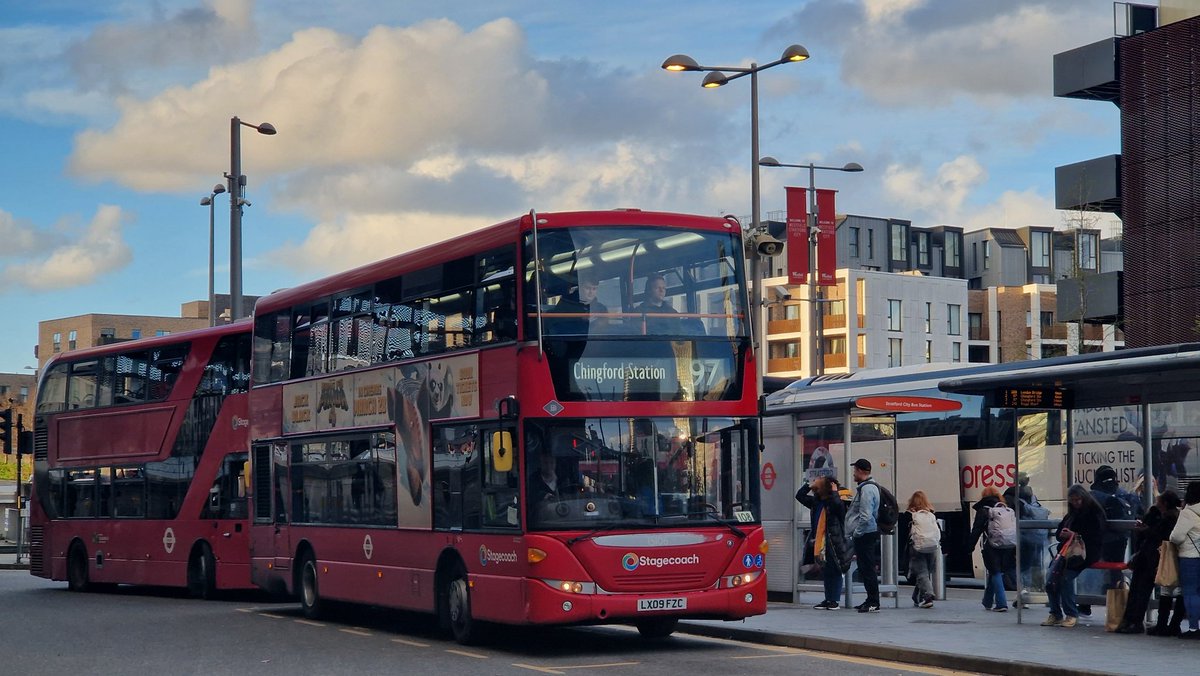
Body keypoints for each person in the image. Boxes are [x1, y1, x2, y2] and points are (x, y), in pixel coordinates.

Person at [1118, 490, 1182, 634]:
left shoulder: (1170, 518)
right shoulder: (1160, 514)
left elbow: (1162, 536)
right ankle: (1133, 620)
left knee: (1141, 589)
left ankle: (1134, 621)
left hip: (1154, 557)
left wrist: (1146, 530)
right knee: (1139, 588)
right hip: (1150, 557)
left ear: (1164, 503)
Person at [1043, 484, 1106, 629]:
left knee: (1064, 578)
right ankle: (1056, 613)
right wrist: (1065, 534)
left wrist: (1074, 535)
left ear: (1084, 498)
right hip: (1067, 553)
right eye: (1073, 500)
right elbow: (1060, 532)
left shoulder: (1094, 513)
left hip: (1084, 554)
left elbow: (1096, 535)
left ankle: (1070, 614)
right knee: (1050, 579)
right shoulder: (1072, 513)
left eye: (1078, 500)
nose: (1076, 503)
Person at [796, 476, 853, 610]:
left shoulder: (840, 498)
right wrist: (808, 486)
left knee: (836, 569)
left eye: (819, 483)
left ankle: (834, 600)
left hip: (834, 539)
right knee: (826, 570)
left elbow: (838, 508)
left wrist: (834, 492)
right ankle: (828, 599)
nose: (816, 485)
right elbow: (800, 496)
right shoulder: (817, 501)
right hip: (821, 541)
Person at [968, 486, 1016, 612]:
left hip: (991, 545)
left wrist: (970, 547)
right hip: (1008, 544)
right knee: (995, 572)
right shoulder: (1005, 508)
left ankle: (1001, 603)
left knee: (995, 572)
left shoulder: (984, 510)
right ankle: (987, 601)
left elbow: (977, 530)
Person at [845, 458, 881, 613]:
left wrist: (857, 533)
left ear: (860, 471)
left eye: (855, 471)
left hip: (865, 534)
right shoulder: (869, 487)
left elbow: (865, 516)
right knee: (865, 567)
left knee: (867, 568)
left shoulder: (866, 489)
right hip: (867, 533)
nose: (853, 474)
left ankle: (873, 601)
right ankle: (870, 599)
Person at [1168, 481, 1200, 639]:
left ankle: (1194, 628)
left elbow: (1176, 536)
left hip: (1190, 558)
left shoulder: (1187, 513)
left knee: (1191, 593)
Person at [906, 490, 940, 609]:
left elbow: (906, 535)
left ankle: (928, 596)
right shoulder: (931, 514)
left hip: (917, 547)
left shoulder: (910, 515)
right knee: (925, 573)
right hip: (932, 547)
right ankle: (917, 596)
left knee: (921, 573)